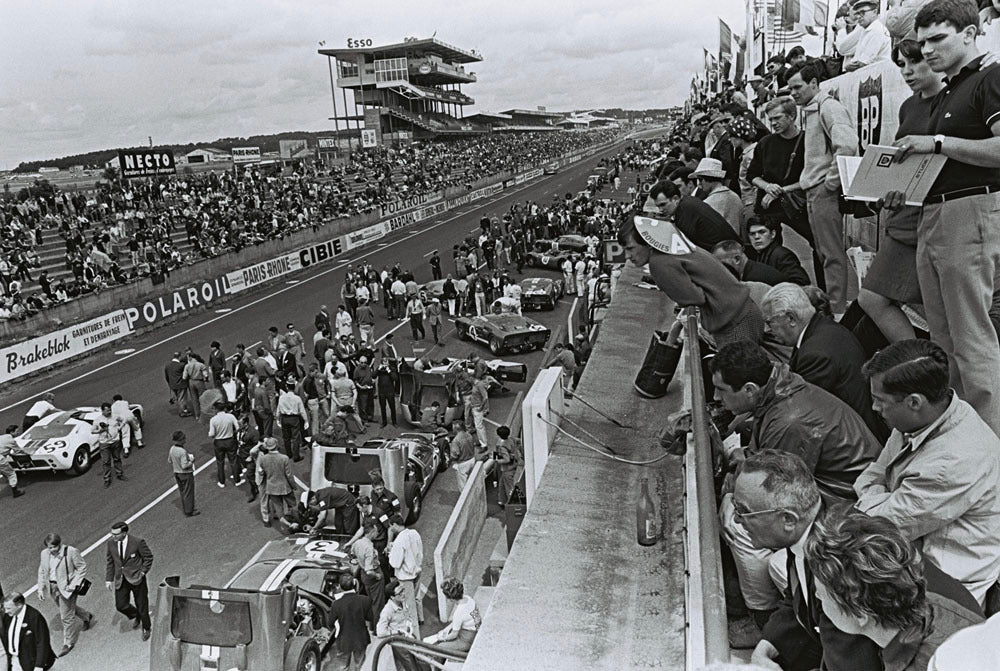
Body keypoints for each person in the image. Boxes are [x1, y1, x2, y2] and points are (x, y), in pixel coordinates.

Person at [885, 0, 1000, 435]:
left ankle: (989, 447)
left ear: (970, 34)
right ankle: (964, 436)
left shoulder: (990, 77)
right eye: (924, 41)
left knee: (972, 343)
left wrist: (936, 142)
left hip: (969, 211)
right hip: (935, 213)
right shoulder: (950, 89)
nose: (928, 50)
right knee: (945, 342)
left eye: (938, 39)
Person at [856, 339, 1000, 605]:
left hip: (948, 582)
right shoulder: (929, 416)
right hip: (914, 549)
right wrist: (881, 495)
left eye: (880, 400)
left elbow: (879, 525)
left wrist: (877, 495)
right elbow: (873, 474)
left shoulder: (952, 462)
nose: (875, 408)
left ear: (914, 402)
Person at [733, 452, 883, 671]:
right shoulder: (810, 528)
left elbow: (853, 664)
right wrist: (766, 645)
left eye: (744, 511)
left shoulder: (842, 568)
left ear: (787, 519)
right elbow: (796, 598)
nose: (737, 519)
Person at [806, 510, 984, 670]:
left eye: (822, 595)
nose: (816, 595)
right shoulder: (934, 606)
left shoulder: (935, 664)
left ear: (860, 615)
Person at [618, 207, 764, 347]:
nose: (627, 256)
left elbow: (694, 298)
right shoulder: (671, 247)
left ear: (648, 243)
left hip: (734, 322)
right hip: (744, 312)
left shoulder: (659, 262)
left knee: (738, 371)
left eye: (630, 248)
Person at [760, 283, 888, 442]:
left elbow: (801, 412)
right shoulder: (822, 329)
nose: (766, 330)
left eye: (769, 322)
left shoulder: (815, 354)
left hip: (853, 441)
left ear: (791, 318)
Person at [787, 60, 859, 315]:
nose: (793, 93)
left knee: (831, 254)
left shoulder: (829, 108)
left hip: (822, 191)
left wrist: (830, 183)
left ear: (814, 83)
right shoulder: (813, 109)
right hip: (815, 191)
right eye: (790, 88)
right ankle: (835, 306)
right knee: (824, 253)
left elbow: (848, 145)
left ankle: (838, 310)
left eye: (798, 86)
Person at [746, 96, 821, 286]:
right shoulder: (765, 143)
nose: (773, 123)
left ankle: (821, 291)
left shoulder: (808, 142)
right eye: (770, 119)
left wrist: (780, 191)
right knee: (766, 247)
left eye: (777, 118)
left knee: (819, 244)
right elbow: (752, 175)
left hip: (796, 204)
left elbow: (814, 177)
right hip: (768, 205)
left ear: (792, 116)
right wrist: (767, 187)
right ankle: (773, 287)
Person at [36, 533, 92, 657]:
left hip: (67, 588)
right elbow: (42, 570)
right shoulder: (44, 554)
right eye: (49, 548)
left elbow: (81, 568)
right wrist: (40, 588)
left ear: (59, 544)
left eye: (54, 547)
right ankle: (86, 616)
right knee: (67, 609)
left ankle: (68, 643)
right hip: (53, 587)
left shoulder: (71, 551)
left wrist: (73, 585)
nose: (51, 550)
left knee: (66, 617)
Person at [104, 521, 153, 641]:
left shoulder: (137, 542)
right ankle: (136, 614)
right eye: (112, 534)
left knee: (142, 605)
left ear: (124, 533)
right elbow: (110, 562)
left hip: (136, 578)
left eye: (116, 534)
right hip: (121, 579)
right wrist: (109, 579)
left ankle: (146, 627)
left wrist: (142, 572)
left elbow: (148, 557)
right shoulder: (111, 543)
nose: (113, 536)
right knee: (121, 605)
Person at [387, 514, 423, 638]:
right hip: (417, 570)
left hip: (405, 576)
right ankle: (421, 618)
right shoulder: (414, 533)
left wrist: (391, 552)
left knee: (409, 606)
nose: (391, 529)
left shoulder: (399, 541)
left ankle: (416, 636)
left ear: (395, 525)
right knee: (417, 597)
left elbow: (395, 563)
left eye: (391, 526)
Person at [327, 574, 373, 671]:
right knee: (360, 664)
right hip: (360, 638)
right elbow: (370, 618)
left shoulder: (336, 604)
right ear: (354, 584)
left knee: (343, 666)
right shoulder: (365, 600)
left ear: (340, 586)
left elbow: (330, 623)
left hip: (343, 640)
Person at [745, 218, 810, 286]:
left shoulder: (783, 255)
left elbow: (801, 282)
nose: (756, 237)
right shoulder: (757, 255)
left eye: (762, 232)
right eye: (752, 234)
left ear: (773, 234)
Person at [424, 577, 481, 654]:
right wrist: (446, 629)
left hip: (467, 640)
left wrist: (442, 638)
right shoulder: (469, 599)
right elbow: (461, 620)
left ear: (450, 599)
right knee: (446, 634)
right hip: (476, 630)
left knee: (439, 647)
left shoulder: (458, 612)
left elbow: (454, 635)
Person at [2, 592, 55, 671]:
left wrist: (39, 666)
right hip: (14, 660)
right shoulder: (8, 616)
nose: (6, 611)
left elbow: (42, 642)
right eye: (5, 608)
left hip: (30, 661)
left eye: (9, 608)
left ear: (19, 605)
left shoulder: (34, 617)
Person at [376, 581, 422, 671]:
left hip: (409, 637)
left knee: (416, 661)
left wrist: (409, 624)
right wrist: (398, 631)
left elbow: (407, 614)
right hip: (400, 643)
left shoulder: (402, 602)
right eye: (399, 593)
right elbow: (380, 632)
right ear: (392, 597)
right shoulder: (387, 611)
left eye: (403, 590)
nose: (403, 594)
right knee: (411, 666)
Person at [694, 158, 743, 235]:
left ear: (708, 178)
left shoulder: (708, 204)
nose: (699, 184)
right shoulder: (736, 197)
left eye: (700, 180)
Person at [257, 437, 296, 528]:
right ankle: (295, 524)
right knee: (292, 506)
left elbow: (261, 472)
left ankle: (285, 526)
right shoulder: (284, 458)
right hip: (285, 487)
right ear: (277, 445)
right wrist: (293, 486)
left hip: (271, 488)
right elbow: (289, 475)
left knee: (279, 510)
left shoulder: (263, 459)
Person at [350, 521, 386, 621]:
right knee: (378, 603)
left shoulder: (357, 543)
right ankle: (377, 628)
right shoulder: (369, 547)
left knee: (371, 600)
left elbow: (352, 554)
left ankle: (371, 624)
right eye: (376, 531)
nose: (377, 533)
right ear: (371, 532)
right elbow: (369, 570)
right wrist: (377, 576)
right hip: (372, 576)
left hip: (363, 575)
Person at [712, 240, 789, 285]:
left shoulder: (754, 281)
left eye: (720, 263)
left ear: (737, 259)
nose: (717, 267)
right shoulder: (754, 270)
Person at [846, 0, 893, 71]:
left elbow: (862, 63)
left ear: (874, 12)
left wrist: (847, 66)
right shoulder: (867, 31)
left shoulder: (877, 30)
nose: (858, 16)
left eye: (862, 12)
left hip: (878, 74)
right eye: (857, 14)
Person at [91, 402, 126, 489]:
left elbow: (124, 419)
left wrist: (119, 427)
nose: (109, 412)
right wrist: (100, 431)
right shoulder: (97, 420)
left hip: (115, 441)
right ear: (102, 411)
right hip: (104, 443)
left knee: (117, 458)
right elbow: (92, 431)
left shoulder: (114, 416)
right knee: (106, 461)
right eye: (107, 410)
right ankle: (107, 479)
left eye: (110, 410)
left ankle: (119, 474)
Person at [208, 401, 241, 487]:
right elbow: (238, 427)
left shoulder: (213, 420)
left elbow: (211, 434)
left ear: (216, 409)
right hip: (230, 440)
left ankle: (221, 481)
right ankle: (237, 480)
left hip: (219, 442)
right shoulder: (230, 416)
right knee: (233, 460)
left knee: (220, 462)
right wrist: (232, 433)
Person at [276, 378, 309, 462]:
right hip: (294, 418)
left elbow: (278, 409)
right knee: (295, 438)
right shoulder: (297, 398)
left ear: (287, 387)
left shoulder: (282, 397)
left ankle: (289, 454)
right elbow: (302, 411)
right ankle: (296, 456)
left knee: (286, 437)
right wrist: (306, 420)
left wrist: (277, 419)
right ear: (294, 387)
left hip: (284, 418)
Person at [167, 431, 198, 517]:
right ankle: (189, 510)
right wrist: (191, 461)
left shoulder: (172, 449)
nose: (185, 440)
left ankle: (186, 507)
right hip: (185, 474)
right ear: (180, 440)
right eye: (184, 438)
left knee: (183, 491)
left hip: (177, 473)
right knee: (189, 492)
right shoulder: (182, 451)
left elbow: (169, 460)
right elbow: (184, 466)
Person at [494, 425, 523, 506]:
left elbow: (506, 459)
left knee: (509, 488)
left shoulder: (502, 446)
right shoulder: (511, 440)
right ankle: (501, 500)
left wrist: (497, 460)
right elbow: (519, 442)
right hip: (513, 466)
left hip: (507, 469)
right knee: (501, 485)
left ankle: (513, 504)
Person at [450, 421, 477, 492]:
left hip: (463, 463)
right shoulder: (469, 435)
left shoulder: (456, 440)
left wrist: (451, 460)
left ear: (456, 429)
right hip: (472, 459)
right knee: (471, 480)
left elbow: (455, 455)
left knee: (463, 486)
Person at [183, 352, 209, 420]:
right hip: (199, 381)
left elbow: (184, 377)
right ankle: (205, 413)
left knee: (194, 399)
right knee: (202, 397)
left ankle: (197, 415)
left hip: (191, 382)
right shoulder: (201, 365)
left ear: (190, 357)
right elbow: (205, 375)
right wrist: (205, 379)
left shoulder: (187, 366)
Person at [0, 425, 25, 498]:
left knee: (4, 471)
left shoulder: (1, 437)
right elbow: (18, 451)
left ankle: (8, 478)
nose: (19, 432)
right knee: (11, 474)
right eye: (17, 431)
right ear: (12, 432)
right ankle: (15, 491)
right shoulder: (11, 440)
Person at [164, 352, 190, 416]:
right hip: (181, 384)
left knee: (178, 398)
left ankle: (183, 409)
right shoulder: (181, 365)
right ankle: (183, 412)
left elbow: (166, 376)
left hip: (172, 385)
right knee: (182, 398)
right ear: (179, 357)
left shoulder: (167, 365)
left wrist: (170, 384)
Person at [375, 361, 398, 427]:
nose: (385, 365)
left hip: (390, 391)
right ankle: (384, 422)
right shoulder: (379, 369)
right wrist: (378, 369)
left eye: (386, 363)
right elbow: (373, 376)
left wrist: (389, 371)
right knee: (382, 407)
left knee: (392, 407)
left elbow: (395, 378)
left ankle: (394, 421)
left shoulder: (392, 369)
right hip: (381, 392)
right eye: (383, 363)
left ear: (388, 363)